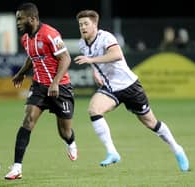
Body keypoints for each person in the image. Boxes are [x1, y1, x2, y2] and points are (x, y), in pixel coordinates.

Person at [74, 10, 189, 172]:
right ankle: (112, 152)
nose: (83, 27)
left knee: (151, 123)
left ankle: (177, 149)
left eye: (86, 24)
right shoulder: (82, 44)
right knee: (94, 110)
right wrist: (94, 70)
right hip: (111, 88)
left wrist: (91, 60)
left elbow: (117, 54)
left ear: (95, 25)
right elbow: (92, 58)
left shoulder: (106, 37)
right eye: (80, 25)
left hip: (129, 86)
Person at [5, 2, 78, 180]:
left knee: (64, 131)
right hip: (38, 87)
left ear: (33, 18)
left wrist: (55, 83)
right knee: (28, 120)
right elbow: (32, 57)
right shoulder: (25, 39)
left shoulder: (50, 34)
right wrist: (21, 73)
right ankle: (17, 168)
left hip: (60, 88)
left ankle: (71, 142)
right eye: (17, 19)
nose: (18, 23)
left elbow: (66, 58)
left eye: (20, 19)